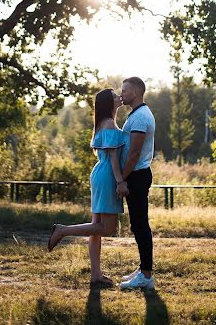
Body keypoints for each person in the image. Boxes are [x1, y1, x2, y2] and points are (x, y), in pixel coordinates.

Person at [47, 88, 125, 288]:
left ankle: (96, 275)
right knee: (107, 228)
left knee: (96, 228)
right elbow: (114, 159)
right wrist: (120, 182)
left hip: (100, 174)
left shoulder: (105, 123)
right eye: (116, 96)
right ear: (109, 103)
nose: (120, 97)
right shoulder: (108, 124)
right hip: (107, 176)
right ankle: (63, 230)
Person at [117, 76, 156, 291]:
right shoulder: (137, 114)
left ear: (137, 92)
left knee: (141, 225)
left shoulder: (140, 117)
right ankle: (143, 269)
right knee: (138, 224)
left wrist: (121, 178)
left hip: (137, 176)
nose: (121, 94)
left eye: (125, 90)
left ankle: (147, 276)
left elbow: (133, 153)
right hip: (137, 174)